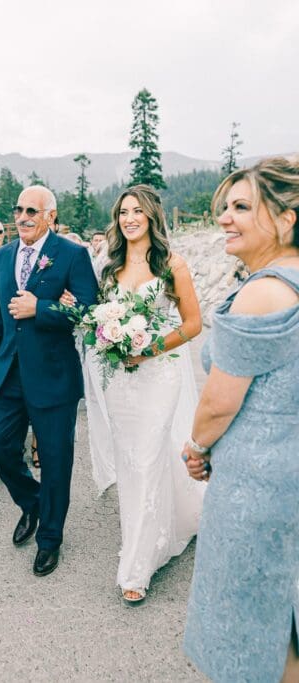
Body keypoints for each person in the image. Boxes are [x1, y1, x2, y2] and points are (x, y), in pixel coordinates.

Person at [181, 157, 299, 682]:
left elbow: (218, 403)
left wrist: (197, 448)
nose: (225, 218)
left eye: (242, 207)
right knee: (286, 620)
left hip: (259, 485)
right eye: (223, 208)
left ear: (286, 217)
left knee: (248, 624)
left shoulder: (265, 291)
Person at [62, 185, 205, 604]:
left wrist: (149, 349)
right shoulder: (111, 266)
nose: (129, 219)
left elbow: (193, 323)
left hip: (159, 374)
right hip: (121, 381)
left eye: (137, 211)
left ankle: (136, 566)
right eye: (123, 211)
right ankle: (171, 518)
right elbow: (105, 319)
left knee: (144, 458)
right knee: (134, 462)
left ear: (151, 217)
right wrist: (90, 318)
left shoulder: (172, 264)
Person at [0, 185, 98, 577]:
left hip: (53, 375)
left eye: (32, 210)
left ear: (50, 216)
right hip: (9, 371)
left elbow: (88, 310)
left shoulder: (72, 254)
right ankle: (33, 502)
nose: (23, 216)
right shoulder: (3, 255)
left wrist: (40, 308)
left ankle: (50, 539)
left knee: (57, 460)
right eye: (18, 209)